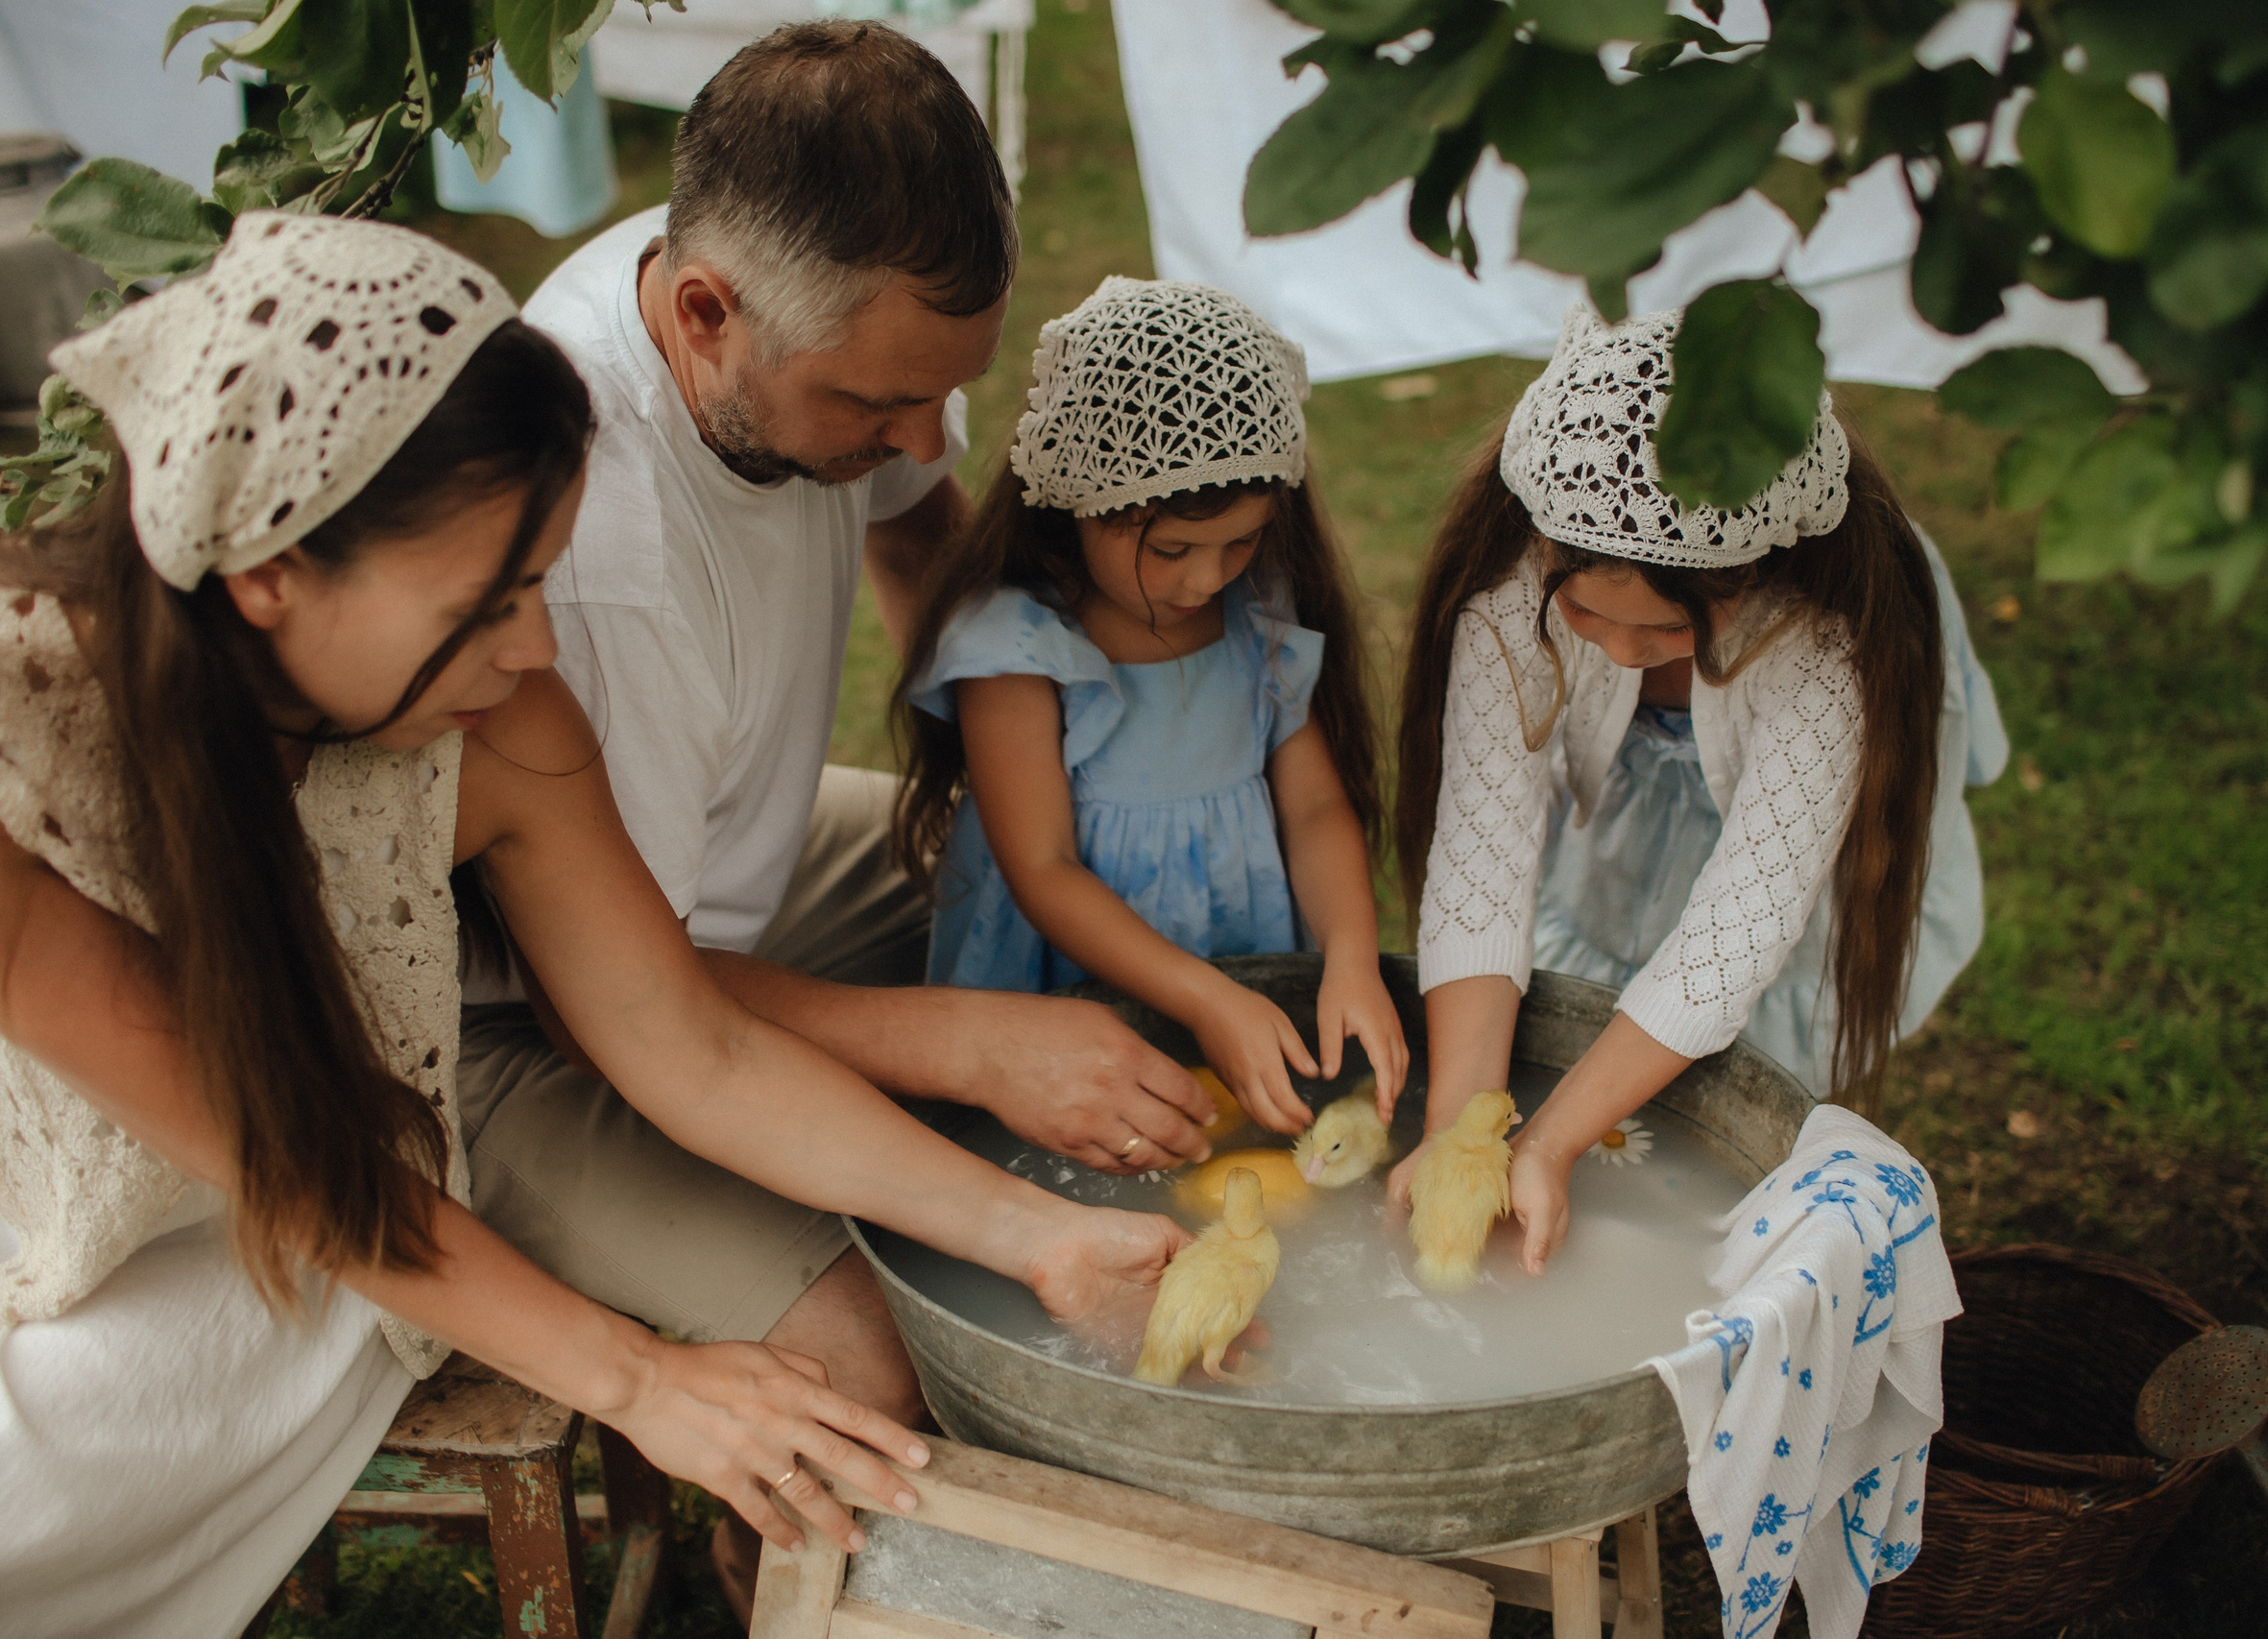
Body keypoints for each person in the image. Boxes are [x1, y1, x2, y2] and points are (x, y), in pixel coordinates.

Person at [0, 213, 1185, 1639]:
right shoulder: (30, 752)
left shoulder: (503, 722)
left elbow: (691, 1048)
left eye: (542, 580)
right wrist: (637, 1377)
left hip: (331, 1208)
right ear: (271, 575)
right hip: (112, 1232)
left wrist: (1041, 1235)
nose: (539, 642)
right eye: (488, 598)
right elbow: (294, 1158)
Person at [461, 19, 1218, 1530]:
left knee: (1110, 885)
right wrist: (972, 1042)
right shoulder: (603, 560)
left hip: (733, 862)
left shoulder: (798, 306)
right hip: (514, 1021)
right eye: (874, 408)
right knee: (878, 1372)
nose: (923, 435)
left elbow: (914, 528)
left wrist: (1031, 811)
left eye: (947, 388)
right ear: (702, 315)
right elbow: (628, 1000)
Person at [1390, 306, 2006, 1271]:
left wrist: (1546, 1144)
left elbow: (1739, 931)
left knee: (1731, 1100)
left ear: (1757, 582)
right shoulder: (1512, 597)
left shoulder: (1822, 643)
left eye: (1667, 636)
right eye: (1587, 612)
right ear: (1543, 550)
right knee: (1599, 1028)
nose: (1624, 653)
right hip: (1630, 836)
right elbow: (1481, 868)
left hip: (1780, 893)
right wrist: (1460, 1136)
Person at [893, 277, 1407, 1135]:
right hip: (1067, 977)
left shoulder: (1259, 617)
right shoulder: (1018, 647)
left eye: (1240, 541)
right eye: (1170, 549)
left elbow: (1315, 807)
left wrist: (1351, 958)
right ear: (1076, 506)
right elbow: (1044, 867)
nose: (1206, 580)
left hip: (1238, 952)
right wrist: (1204, 998)